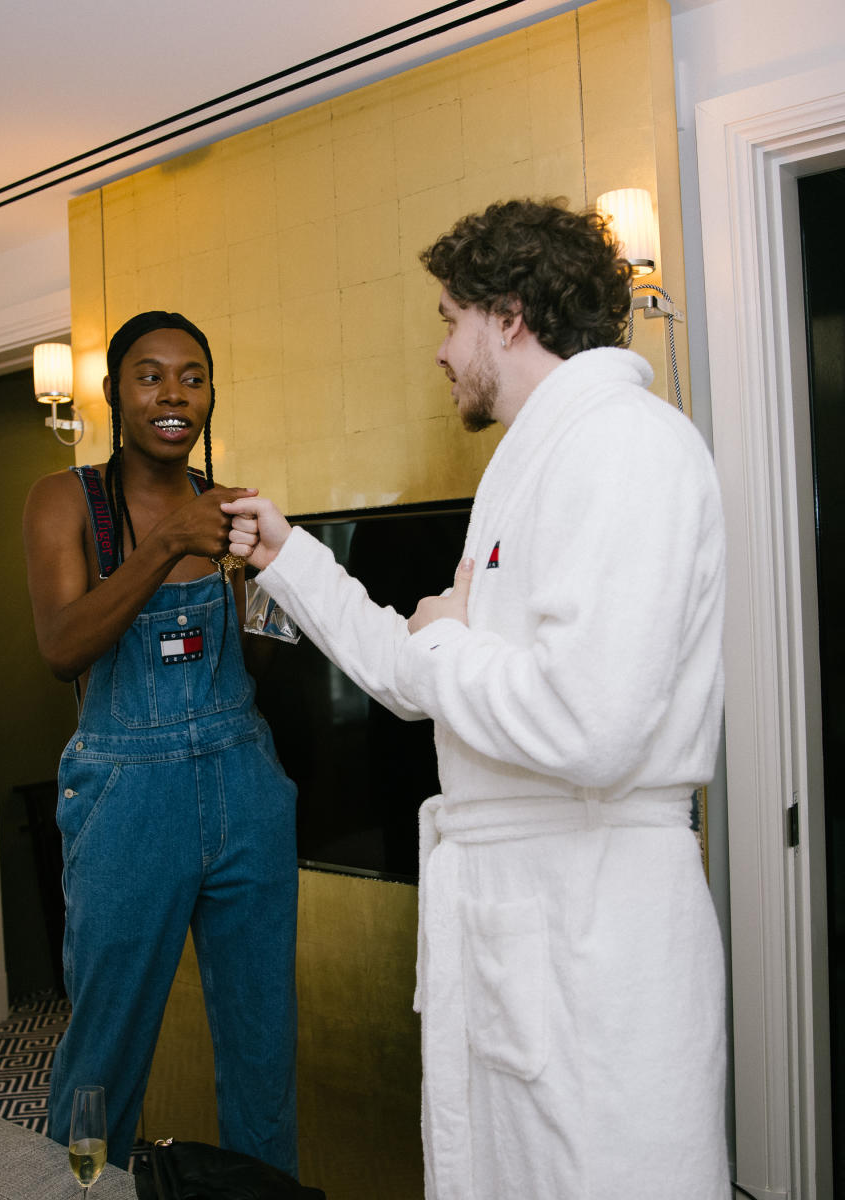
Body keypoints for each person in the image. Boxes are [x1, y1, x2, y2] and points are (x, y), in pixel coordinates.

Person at [223, 199, 730, 1199]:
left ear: (510, 315)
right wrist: (290, 559)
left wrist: (446, 636)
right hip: (525, 919)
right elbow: (421, 676)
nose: (441, 351)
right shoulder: (532, 464)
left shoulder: (626, 447)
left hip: (592, 926)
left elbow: (591, 723)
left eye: (449, 318)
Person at [23, 312, 299, 1174]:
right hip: (125, 795)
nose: (173, 394)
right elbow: (63, 646)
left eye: (192, 376)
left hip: (243, 781)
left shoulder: (228, 506)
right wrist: (171, 542)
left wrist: (273, 580)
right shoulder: (67, 500)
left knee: (262, 1053)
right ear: (114, 394)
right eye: (150, 375)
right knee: (104, 1051)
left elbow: (267, 658)